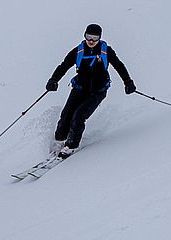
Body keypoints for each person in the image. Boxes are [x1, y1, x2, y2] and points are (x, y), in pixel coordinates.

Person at [45, 23, 136, 157]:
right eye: (89, 37)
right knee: (66, 115)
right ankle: (59, 140)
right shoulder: (79, 50)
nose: (91, 41)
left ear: (100, 38)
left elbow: (119, 65)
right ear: (85, 36)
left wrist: (128, 82)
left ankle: (71, 146)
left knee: (79, 116)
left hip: (97, 92)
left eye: (95, 38)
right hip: (79, 89)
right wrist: (53, 80)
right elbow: (64, 65)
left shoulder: (106, 51)